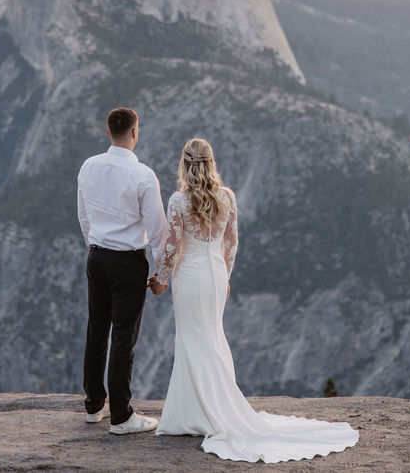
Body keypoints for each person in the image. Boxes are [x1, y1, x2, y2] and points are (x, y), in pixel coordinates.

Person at [150, 138, 359, 462]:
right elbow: (231, 242)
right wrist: (226, 276)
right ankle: (207, 409)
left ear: (184, 163)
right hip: (216, 275)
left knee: (192, 340)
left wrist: (160, 279)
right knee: (211, 337)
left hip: (189, 277)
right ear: (210, 162)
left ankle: (197, 414)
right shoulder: (227, 197)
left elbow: (173, 246)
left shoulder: (178, 201)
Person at [77, 107, 167, 435]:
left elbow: (84, 214)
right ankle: (121, 415)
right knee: (123, 338)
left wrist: (96, 245)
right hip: (128, 261)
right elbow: (158, 231)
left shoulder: (89, 166)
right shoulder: (143, 175)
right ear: (134, 132)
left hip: (97, 256)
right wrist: (163, 274)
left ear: (108, 132)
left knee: (96, 331)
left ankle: (93, 406)